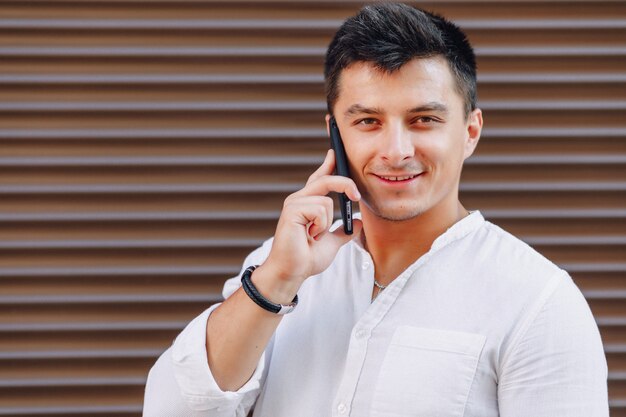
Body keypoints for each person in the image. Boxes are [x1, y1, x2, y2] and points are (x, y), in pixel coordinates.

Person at [143, 3, 609, 416]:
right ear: (335, 134)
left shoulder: (539, 302)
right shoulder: (279, 269)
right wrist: (277, 279)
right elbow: (172, 409)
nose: (396, 150)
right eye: (368, 122)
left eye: (423, 119)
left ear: (470, 131)